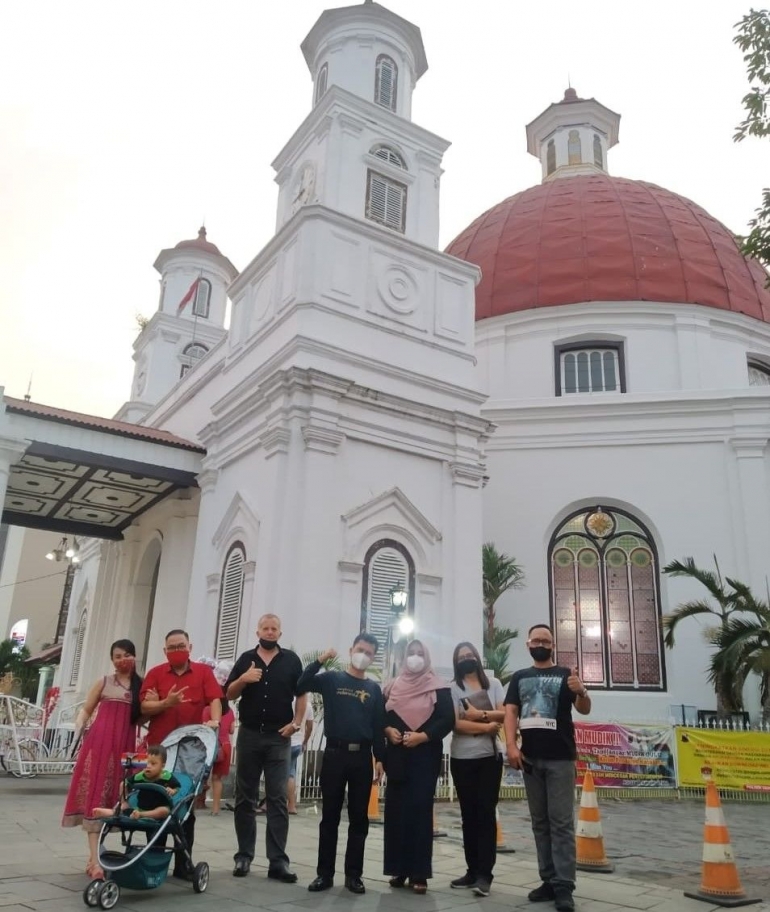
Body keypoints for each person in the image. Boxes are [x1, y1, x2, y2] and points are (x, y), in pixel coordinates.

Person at [504, 624, 592, 912]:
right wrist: (512, 746)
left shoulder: (566, 675)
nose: (540, 643)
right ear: (528, 644)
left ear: (553, 645)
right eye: (535, 639)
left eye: (546, 640)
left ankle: (565, 885)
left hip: (561, 759)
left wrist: (582, 692)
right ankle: (549, 880)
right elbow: (511, 712)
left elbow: (584, 708)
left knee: (562, 823)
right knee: (540, 823)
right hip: (530, 759)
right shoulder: (520, 677)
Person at [297, 634, 385, 895]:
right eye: (360, 650)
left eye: (369, 653)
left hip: (362, 757)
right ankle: (324, 874)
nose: (363, 656)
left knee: (359, 818)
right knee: (329, 818)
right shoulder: (331, 679)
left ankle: (353, 875)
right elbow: (300, 684)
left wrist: (380, 759)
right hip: (334, 754)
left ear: (372, 658)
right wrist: (321, 660)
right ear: (350, 650)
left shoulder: (373, 689)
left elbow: (379, 725)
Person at [225, 614, 306, 881]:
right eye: (265, 628)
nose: (269, 632)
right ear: (257, 631)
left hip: (278, 738)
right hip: (249, 735)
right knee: (244, 798)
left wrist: (296, 723)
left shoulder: (291, 660)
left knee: (277, 799)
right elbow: (229, 694)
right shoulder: (247, 658)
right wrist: (244, 678)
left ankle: (278, 862)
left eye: (274, 629)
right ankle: (244, 857)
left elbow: (302, 693)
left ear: (280, 633)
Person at [140, 629, 222, 879]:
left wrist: (216, 721)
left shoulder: (203, 673)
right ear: (165, 651)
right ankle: (154, 858)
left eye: (181, 646)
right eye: (172, 647)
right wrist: (166, 703)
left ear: (190, 647)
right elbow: (145, 706)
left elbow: (215, 699)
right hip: (159, 750)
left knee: (185, 807)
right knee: (154, 802)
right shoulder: (155, 674)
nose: (177, 651)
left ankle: (183, 863)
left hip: (189, 751)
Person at [62, 638, 142, 881]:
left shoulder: (142, 686)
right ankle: (95, 862)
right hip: (99, 745)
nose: (122, 659)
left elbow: (144, 716)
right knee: (96, 796)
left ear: (134, 657)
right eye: (118, 656)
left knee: (115, 798)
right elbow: (87, 709)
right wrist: (78, 726)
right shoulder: (104, 682)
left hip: (124, 749)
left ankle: (93, 856)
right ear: (112, 660)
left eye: (127, 654)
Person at [382, 639, 454, 895]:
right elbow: (380, 716)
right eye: (410, 653)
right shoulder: (392, 686)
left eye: (419, 653)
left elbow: (447, 719)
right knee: (396, 811)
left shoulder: (438, 687)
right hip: (398, 756)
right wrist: (387, 730)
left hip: (425, 756)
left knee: (420, 811)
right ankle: (398, 869)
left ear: (427, 657)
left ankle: (419, 873)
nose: (414, 657)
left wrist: (423, 736)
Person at [448, 641, 506, 897]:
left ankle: (485, 874)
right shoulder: (451, 689)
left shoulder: (493, 685)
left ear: (477, 658)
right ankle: (472, 870)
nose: (467, 658)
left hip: (488, 759)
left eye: (470, 654)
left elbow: (504, 715)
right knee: (468, 816)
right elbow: (457, 725)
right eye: (462, 656)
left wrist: (478, 716)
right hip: (462, 758)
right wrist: (486, 725)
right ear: (456, 662)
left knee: (485, 814)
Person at [93, 744, 181, 821]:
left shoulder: (167, 777)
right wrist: (124, 801)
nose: (148, 766)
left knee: (164, 811)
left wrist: (172, 791)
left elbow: (177, 786)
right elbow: (124, 784)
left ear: (162, 765)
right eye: (146, 763)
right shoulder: (140, 776)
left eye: (153, 764)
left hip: (158, 808)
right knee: (125, 808)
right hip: (139, 808)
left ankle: (141, 815)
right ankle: (111, 812)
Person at [203, 661, 236, 816]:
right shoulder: (230, 713)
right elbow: (230, 730)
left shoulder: (208, 709)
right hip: (226, 746)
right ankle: (216, 808)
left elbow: (204, 726)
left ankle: (199, 803)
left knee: (203, 776)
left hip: (211, 745)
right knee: (217, 779)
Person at [288, 698, 314, 814]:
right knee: (291, 773)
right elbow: (310, 727)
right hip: (298, 742)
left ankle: (283, 804)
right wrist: (304, 741)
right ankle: (292, 805)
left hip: (286, 741)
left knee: (278, 773)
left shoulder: (287, 701)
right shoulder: (307, 705)